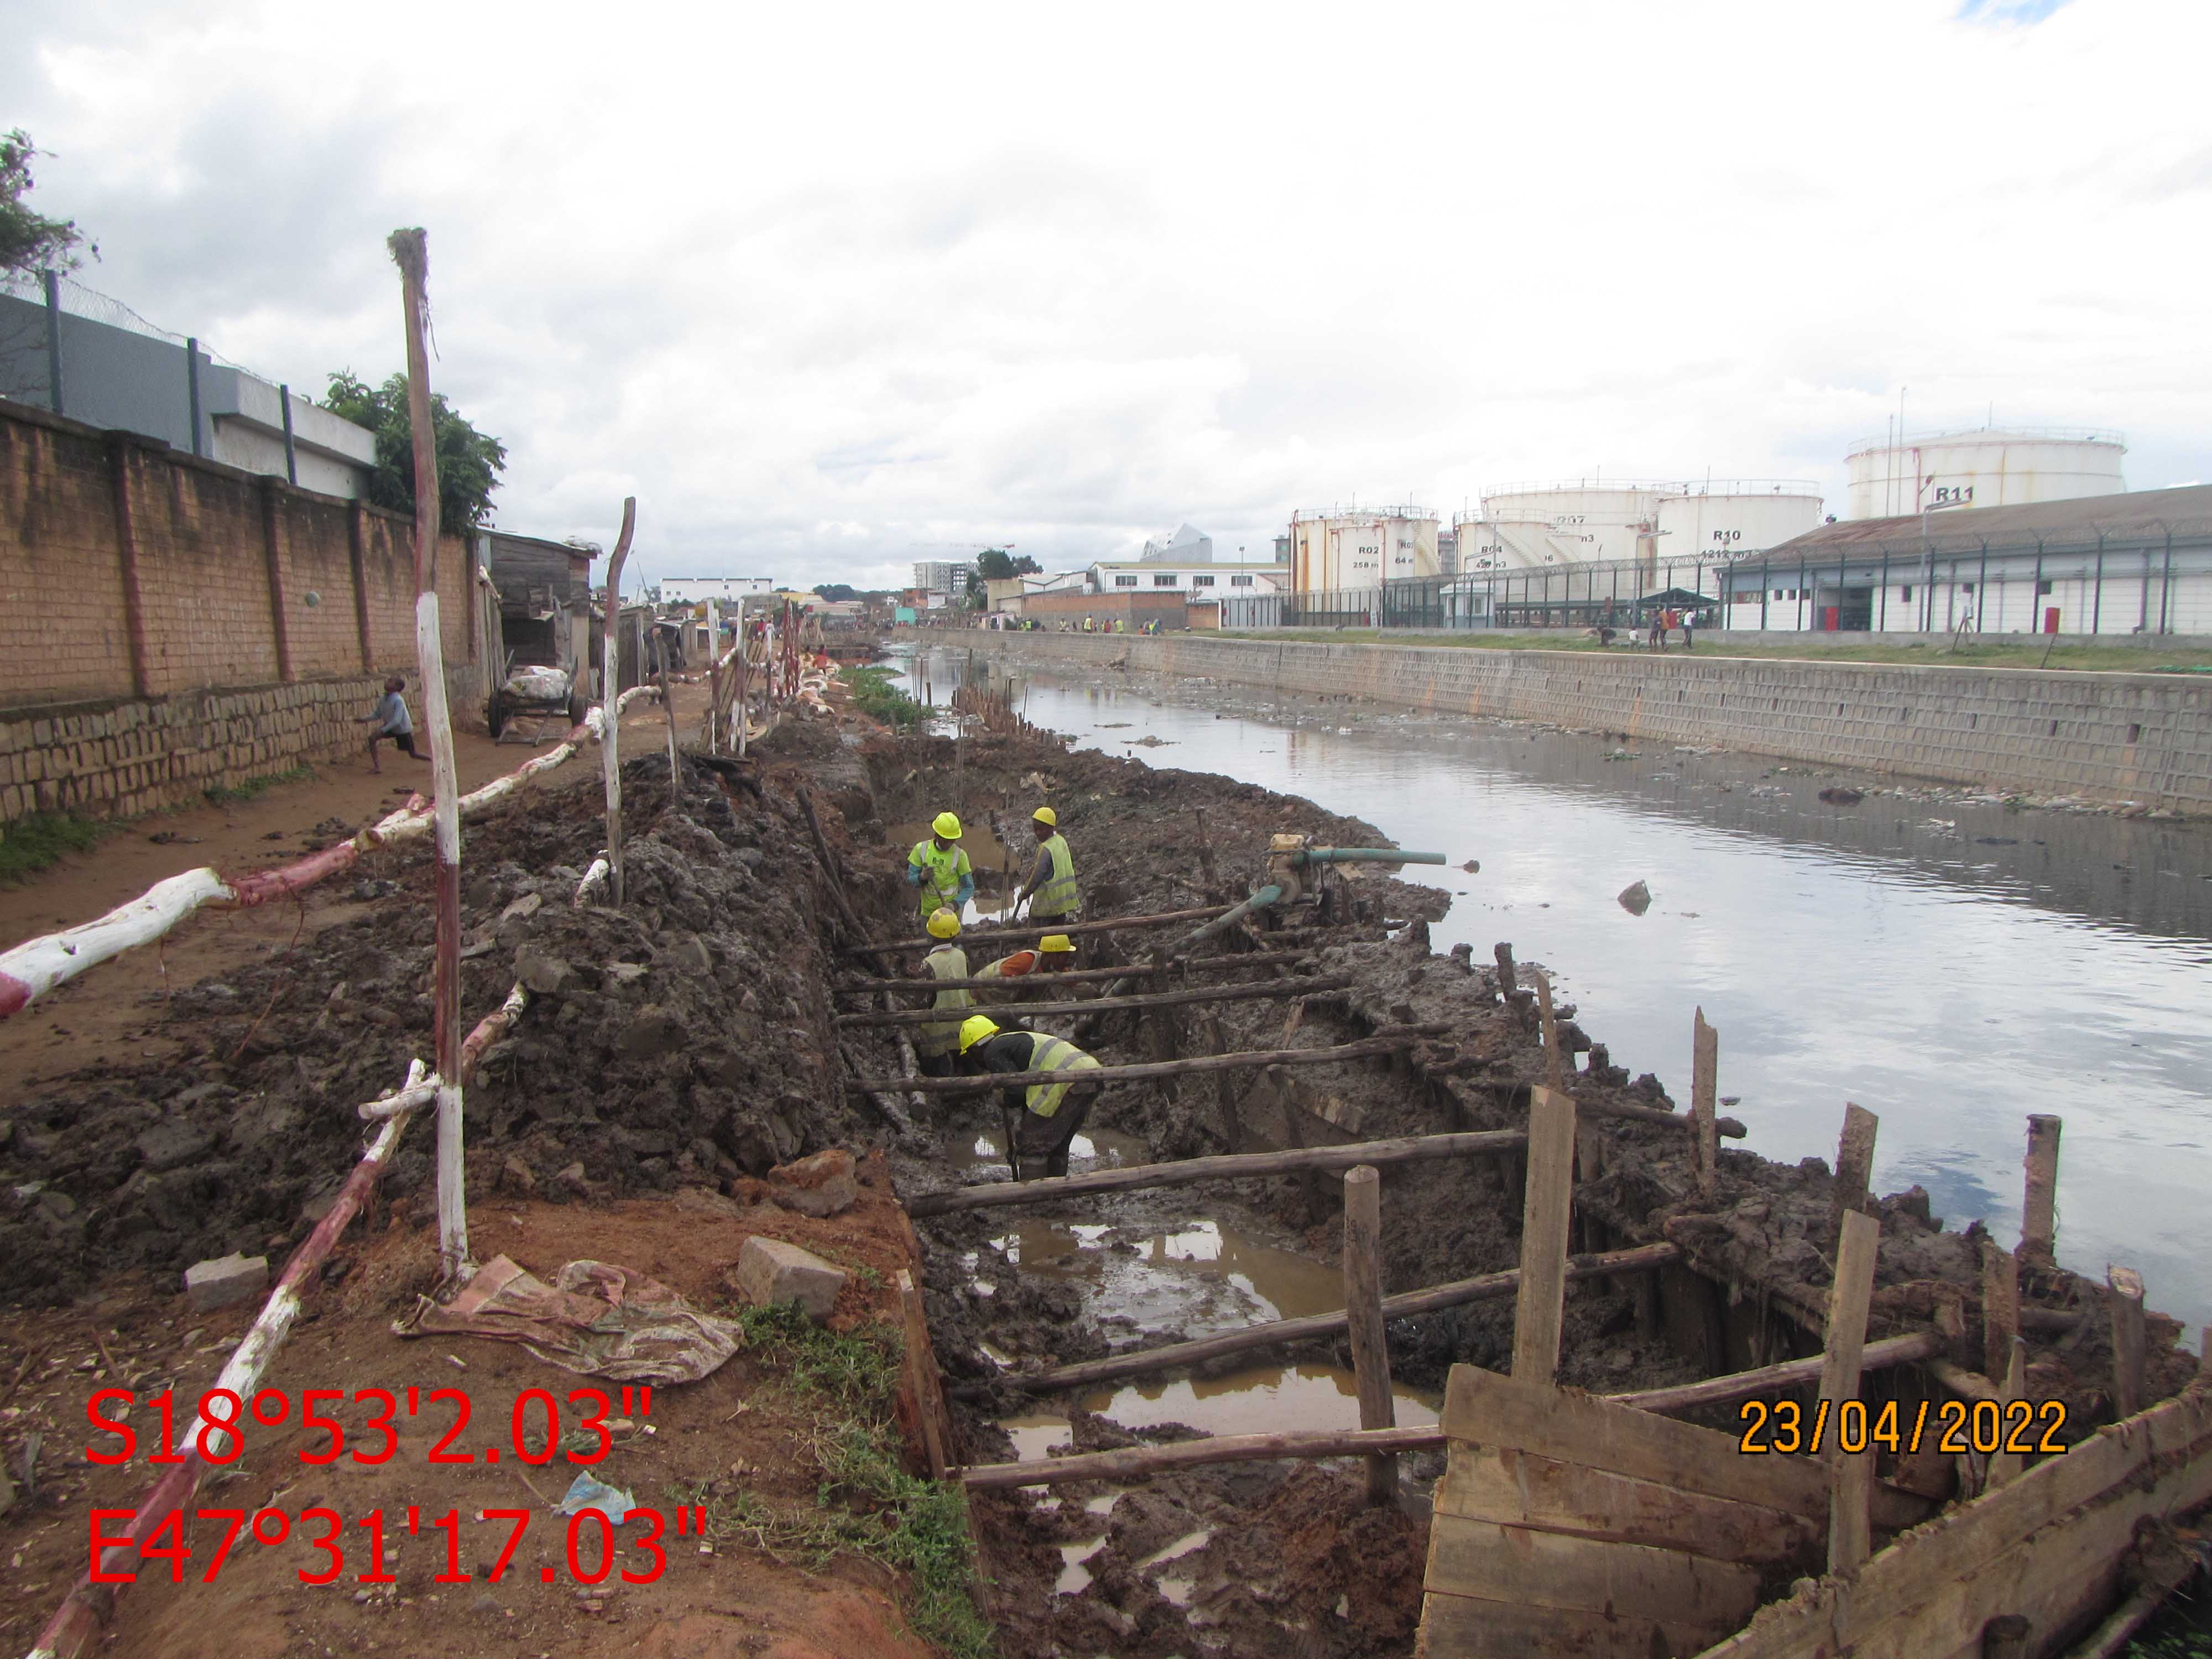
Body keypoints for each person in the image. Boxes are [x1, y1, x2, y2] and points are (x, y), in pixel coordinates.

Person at [957, 1015, 1101, 1181]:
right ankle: (1055, 1193)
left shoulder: (992, 1052)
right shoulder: (1011, 1043)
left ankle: (1033, 1198)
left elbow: (1017, 1092)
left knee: (1032, 1142)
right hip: (1092, 1073)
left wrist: (1005, 1099)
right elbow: (1028, 1099)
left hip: (1065, 1081)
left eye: (970, 1053)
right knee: (1058, 1143)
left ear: (975, 1049)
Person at [912, 909, 972, 1076]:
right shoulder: (962, 956)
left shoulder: (928, 963)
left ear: (931, 934)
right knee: (962, 1060)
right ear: (955, 934)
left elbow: (922, 1002)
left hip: (937, 1028)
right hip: (961, 1025)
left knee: (938, 1068)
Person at [1014, 806, 1081, 930]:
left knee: (1040, 935)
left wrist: (1025, 893)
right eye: (1035, 829)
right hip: (1062, 903)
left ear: (1051, 827)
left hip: (1047, 905)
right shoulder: (1061, 841)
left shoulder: (1046, 848)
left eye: (1041, 829)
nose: (1038, 833)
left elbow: (1037, 876)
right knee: (1057, 934)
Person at [906, 812, 974, 922]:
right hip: (928, 913)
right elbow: (910, 880)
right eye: (945, 840)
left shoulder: (960, 856)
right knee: (929, 939)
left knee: (952, 940)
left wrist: (954, 905)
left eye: (952, 841)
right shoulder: (921, 850)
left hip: (950, 916)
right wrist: (921, 878)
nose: (949, 844)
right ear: (936, 835)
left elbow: (969, 888)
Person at [361, 676, 426, 774]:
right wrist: (364, 720)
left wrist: (383, 730)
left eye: (391, 681)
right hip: (391, 727)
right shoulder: (384, 698)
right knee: (372, 738)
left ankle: (434, 760)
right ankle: (377, 767)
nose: (387, 682)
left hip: (402, 729)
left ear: (397, 687)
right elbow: (378, 714)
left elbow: (397, 721)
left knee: (413, 754)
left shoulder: (398, 700)